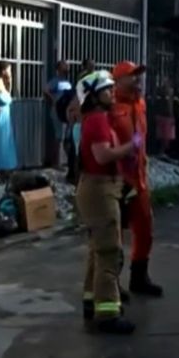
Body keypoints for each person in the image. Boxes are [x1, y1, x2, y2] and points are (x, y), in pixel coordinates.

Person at [76, 70, 140, 334]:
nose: (112, 93)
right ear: (93, 96)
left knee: (97, 248)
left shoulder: (98, 118)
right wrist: (131, 146)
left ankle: (92, 301)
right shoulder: (97, 121)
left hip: (100, 187)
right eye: (106, 90)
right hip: (99, 190)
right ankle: (108, 313)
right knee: (109, 252)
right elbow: (102, 156)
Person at [109, 61, 163, 298]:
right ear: (118, 81)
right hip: (118, 180)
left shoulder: (140, 103)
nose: (138, 80)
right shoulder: (109, 106)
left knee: (145, 230)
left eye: (139, 75)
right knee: (115, 237)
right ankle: (112, 285)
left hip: (139, 179)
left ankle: (139, 277)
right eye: (132, 76)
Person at [45, 60, 74, 169]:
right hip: (57, 111)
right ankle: (55, 162)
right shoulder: (55, 81)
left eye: (67, 66)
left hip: (66, 112)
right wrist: (53, 100)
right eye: (64, 66)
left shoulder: (68, 82)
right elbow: (46, 90)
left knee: (67, 137)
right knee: (58, 137)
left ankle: (69, 161)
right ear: (58, 69)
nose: (67, 67)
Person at [150, 83, 177, 158]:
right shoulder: (165, 99)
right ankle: (161, 151)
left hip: (164, 116)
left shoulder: (164, 99)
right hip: (165, 117)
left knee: (165, 135)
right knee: (165, 136)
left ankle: (162, 151)